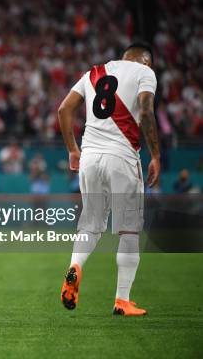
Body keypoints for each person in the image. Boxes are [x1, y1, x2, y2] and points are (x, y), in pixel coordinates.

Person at [57, 42, 160, 316]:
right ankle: (122, 300)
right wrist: (157, 155)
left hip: (89, 157)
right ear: (146, 62)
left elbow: (63, 110)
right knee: (128, 229)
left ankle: (75, 266)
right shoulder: (144, 73)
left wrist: (72, 151)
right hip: (123, 158)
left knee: (90, 224)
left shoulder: (94, 72)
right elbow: (147, 111)